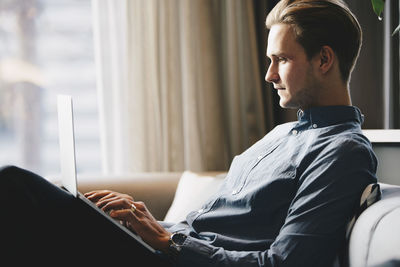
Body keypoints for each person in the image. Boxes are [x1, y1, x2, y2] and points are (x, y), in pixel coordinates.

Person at [0, 0, 377, 266]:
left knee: (16, 188)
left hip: (168, 259)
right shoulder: (281, 135)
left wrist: (168, 242)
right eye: (269, 60)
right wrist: (147, 220)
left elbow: (283, 263)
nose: (269, 75)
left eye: (281, 59)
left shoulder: (343, 152)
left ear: (324, 59)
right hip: (165, 249)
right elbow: (206, 228)